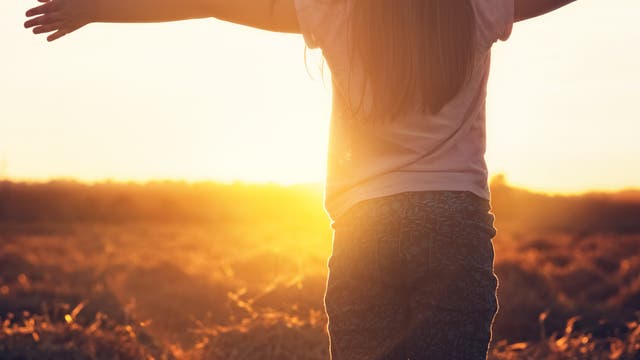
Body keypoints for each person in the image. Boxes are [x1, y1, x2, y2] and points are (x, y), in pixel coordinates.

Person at [24, 0, 577, 358]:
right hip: (453, 229)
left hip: (364, 230)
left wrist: (97, 8)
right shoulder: (477, 7)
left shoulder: (336, 9)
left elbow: (211, 1)